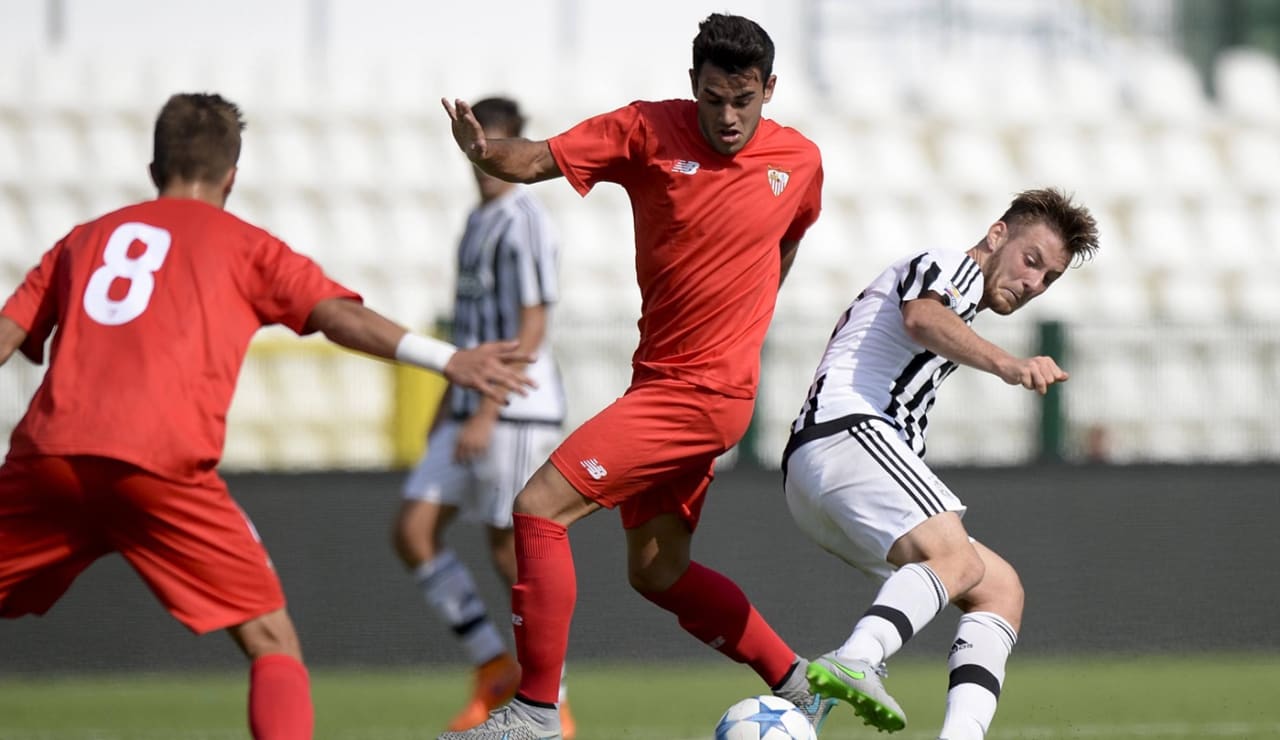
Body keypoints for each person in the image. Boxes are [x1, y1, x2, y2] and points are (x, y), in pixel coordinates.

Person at [0, 93, 534, 740]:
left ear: (153, 170)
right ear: (232, 176)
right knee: (271, 640)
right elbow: (338, 316)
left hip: (48, 455)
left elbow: (8, 332)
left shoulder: (83, 240)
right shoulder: (245, 245)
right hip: (160, 463)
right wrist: (447, 359)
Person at [437, 13, 832, 740]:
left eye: (744, 100)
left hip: (705, 394)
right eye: (714, 99)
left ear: (769, 89)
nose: (729, 117)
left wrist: (743, 328)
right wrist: (485, 153)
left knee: (538, 508)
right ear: (693, 85)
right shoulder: (647, 130)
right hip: (658, 383)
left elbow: (785, 243)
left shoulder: (799, 161)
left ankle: (535, 711)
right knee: (657, 570)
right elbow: (536, 160)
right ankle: (798, 682)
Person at [783, 188, 1099, 738]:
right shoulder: (949, 265)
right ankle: (856, 657)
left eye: (1048, 278)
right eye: (1031, 261)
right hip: (845, 435)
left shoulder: (965, 298)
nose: (1033, 284)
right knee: (957, 558)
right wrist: (1007, 364)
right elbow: (922, 317)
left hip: (826, 469)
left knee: (999, 589)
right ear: (997, 234)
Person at [392, 96, 575, 737]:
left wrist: (487, 411)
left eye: (495, 147)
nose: (484, 160)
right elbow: (470, 326)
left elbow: (533, 325)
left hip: (516, 408)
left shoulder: (526, 219)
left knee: (513, 545)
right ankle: (494, 667)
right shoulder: (476, 221)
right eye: (477, 148)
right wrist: (451, 405)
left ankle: (550, 697)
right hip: (469, 404)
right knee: (414, 531)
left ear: (514, 147)